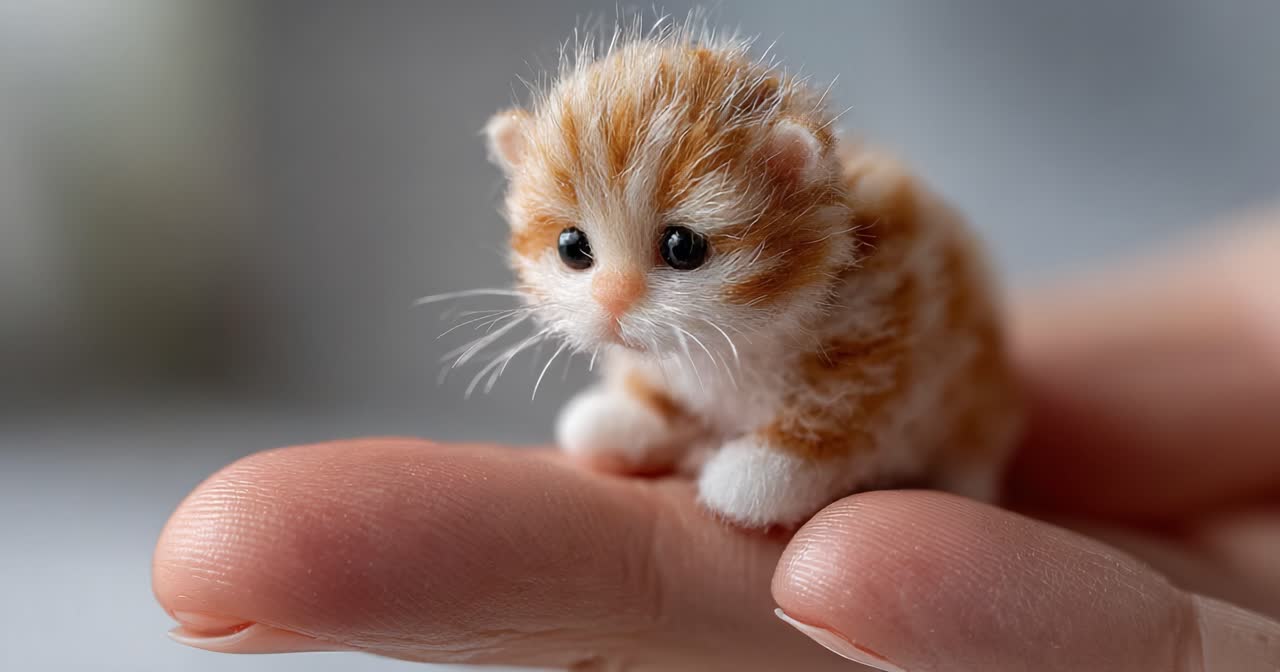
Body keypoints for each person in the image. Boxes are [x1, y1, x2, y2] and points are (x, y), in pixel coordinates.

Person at [153, 212, 1280, 671]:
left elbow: (860, 392)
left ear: (793, 199)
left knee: (796, 478)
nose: (615, 295)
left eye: (683, 246)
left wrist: (796, 448)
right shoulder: (645, 323)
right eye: (575, 250)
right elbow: (640, 335)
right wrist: (658, 403)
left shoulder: (854, 314)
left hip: (938, 416)